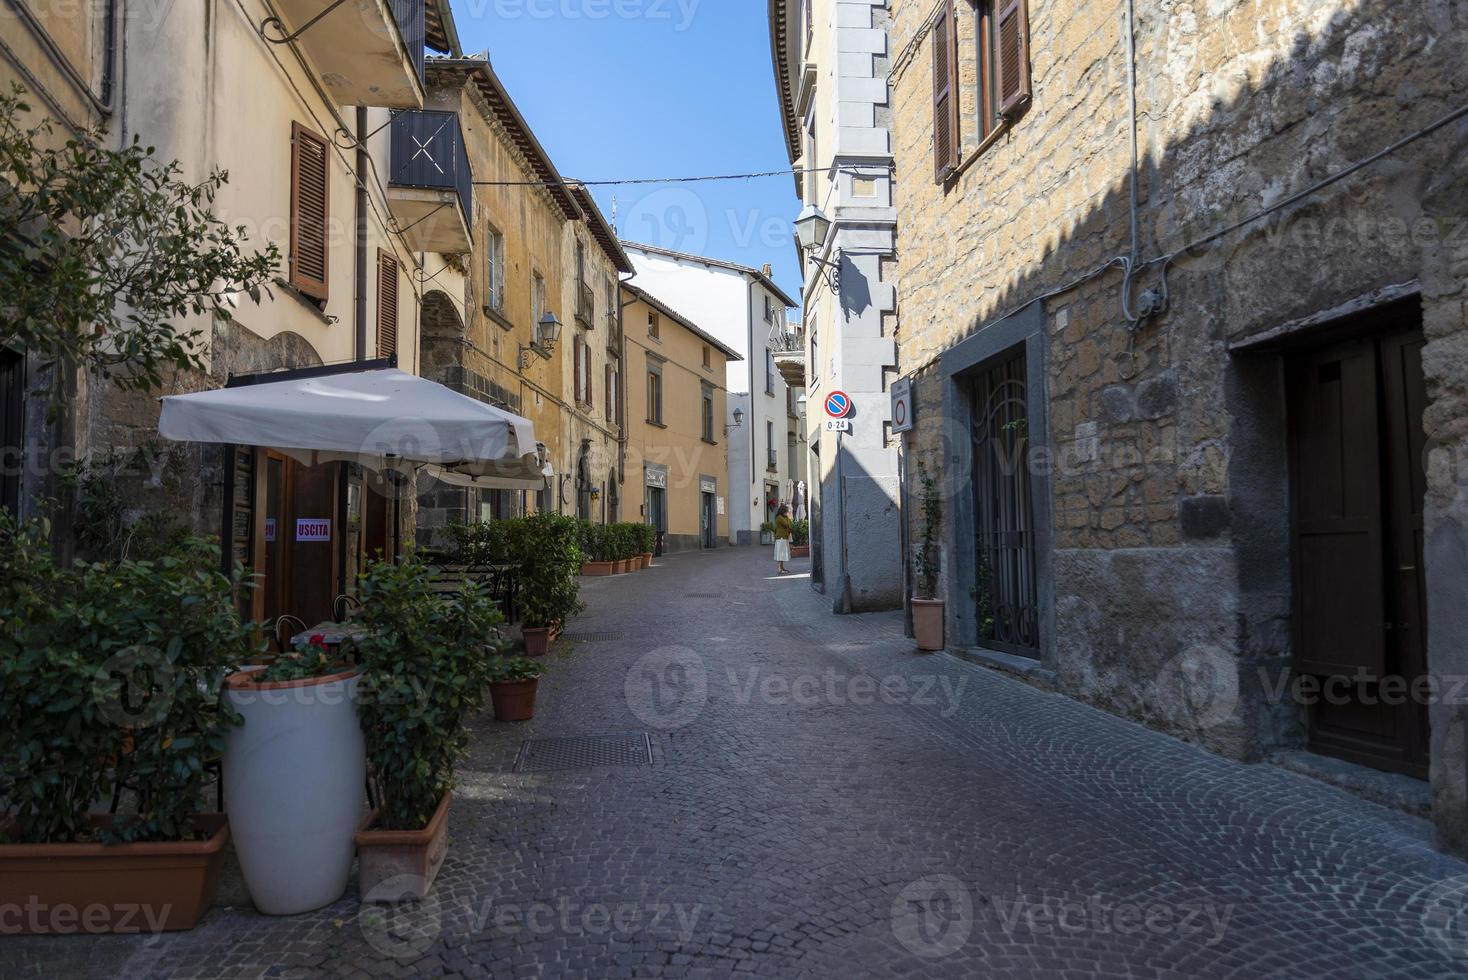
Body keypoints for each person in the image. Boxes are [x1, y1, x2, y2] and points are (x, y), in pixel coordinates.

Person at [773, 503, 793, 575]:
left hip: (784, 537)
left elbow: (790, 524)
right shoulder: (779, 517)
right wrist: (788, 519)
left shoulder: (785, 517)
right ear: (782, 511)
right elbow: (787, 524)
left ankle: (782, 567)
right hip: (780, 537)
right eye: (786, 511)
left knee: (783, 553)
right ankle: (779, 568)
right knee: (780, 553)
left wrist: (788, 519)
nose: (787, 512)